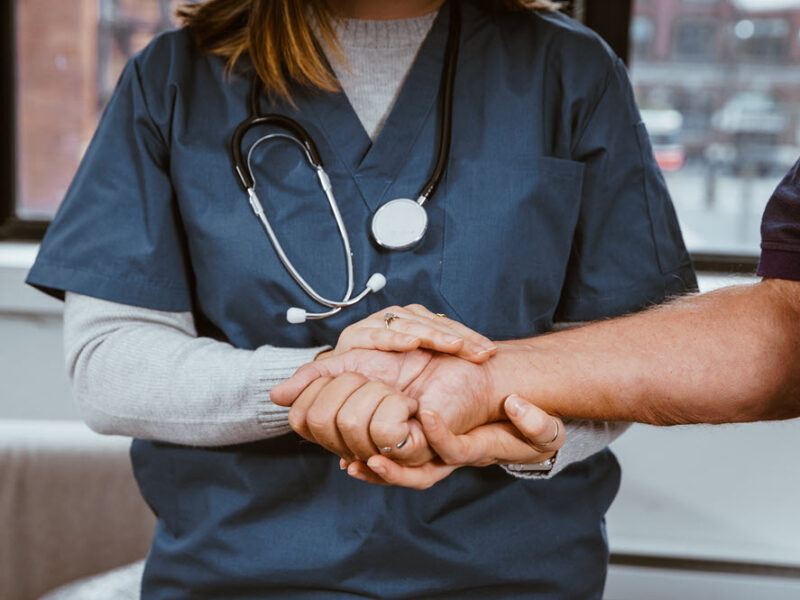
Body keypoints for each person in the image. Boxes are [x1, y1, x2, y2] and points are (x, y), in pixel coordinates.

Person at [26, 0, 696, 597]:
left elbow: (624, 359)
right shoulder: (175, 76)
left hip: (511, 572)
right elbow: (109, 362)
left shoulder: (569, 70)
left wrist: (517, 434)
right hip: (241, 573)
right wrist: (317, 384)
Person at [273, 158, 800, 490]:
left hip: (508, 555)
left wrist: (501, 396)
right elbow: (784, 323)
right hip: (232, 544)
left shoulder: (569, 70)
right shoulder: (190, 69)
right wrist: (486, 379)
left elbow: (778, 337)